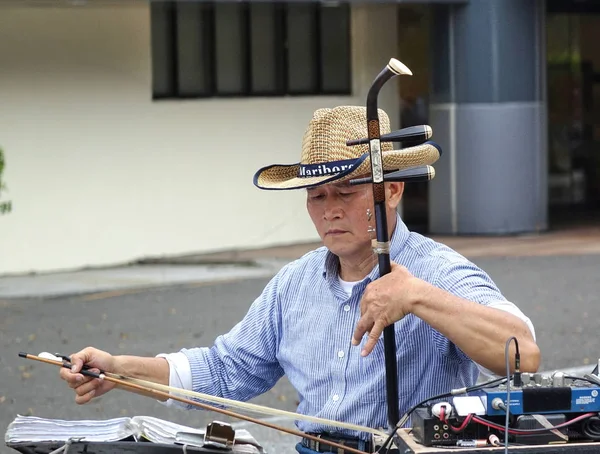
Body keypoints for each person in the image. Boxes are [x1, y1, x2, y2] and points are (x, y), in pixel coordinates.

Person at [59, 106, 540, 454]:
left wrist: (417, 296)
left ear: (391, 191)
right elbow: (226, 370)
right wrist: (119, 369)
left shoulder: (437, 269)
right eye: (316, 195)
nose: (329, 209)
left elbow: (523, 350)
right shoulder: (295, 283)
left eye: (346, 191)